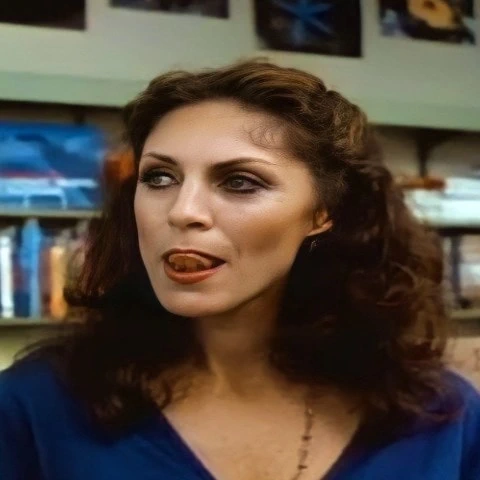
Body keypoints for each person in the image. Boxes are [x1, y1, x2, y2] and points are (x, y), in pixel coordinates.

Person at [0, 59, 479, 480]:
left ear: (322, 213)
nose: (182, 211)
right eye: (160, 177)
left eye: (240, 182)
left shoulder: (441, 415)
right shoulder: (36, 405)